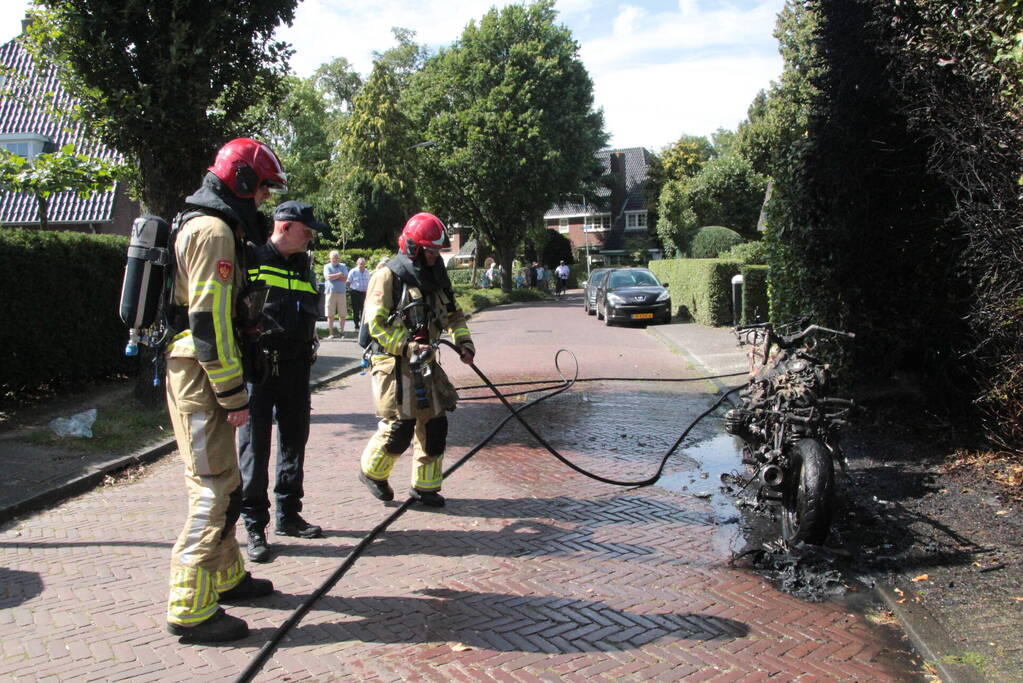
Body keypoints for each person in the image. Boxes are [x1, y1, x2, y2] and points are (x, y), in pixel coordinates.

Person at [163, 137, 285, 643]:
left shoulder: (219, 226)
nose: (261, 200)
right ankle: (188, 607)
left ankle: (227, 577)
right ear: (239, 181)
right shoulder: (212, 231)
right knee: (212, 488)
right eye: (259, 189)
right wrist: (234, 394)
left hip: (203, 373)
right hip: (201, 378)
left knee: (227, 481)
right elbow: (210, 323)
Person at [357, 212, 476, 508]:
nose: (435, 256)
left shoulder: (436, 276)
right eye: (430, 250)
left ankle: (425, 487)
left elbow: (453, 314)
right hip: (393, 364)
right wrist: (406, 346)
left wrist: (464, 342)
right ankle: (372, 472)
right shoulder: (387, 276)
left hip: (425, 362)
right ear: (413, 247)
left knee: (435, 425)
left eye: (438, 251)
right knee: (400, 428)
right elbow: (376, 325)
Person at [237, 201, 326, 565]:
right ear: (286, 227)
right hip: (260, 368)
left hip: (296, 367)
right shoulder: (252, 258)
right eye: (307, 230)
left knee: (294, 441)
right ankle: (255, 525)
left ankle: (289, 514)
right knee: (255, 449)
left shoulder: (305, 265)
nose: (311, 237)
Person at [323, 251, 348, 339]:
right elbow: (328, 277)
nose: (335, 259)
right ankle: (331, 333)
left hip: (341, 292)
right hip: (330, 292)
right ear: (330, 258)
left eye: (337, 257)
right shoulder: (326, 266)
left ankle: (342, 332)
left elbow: (345, 278)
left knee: (342, 314)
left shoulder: (343, 266)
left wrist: (334, 277)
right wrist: (339, 274)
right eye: (333, 257)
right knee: (330, 314)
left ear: (339, 258)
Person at [348, 257, 370, 329]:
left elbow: (369, 282)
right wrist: (351, 290)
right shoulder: (353, 271)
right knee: (356, 309)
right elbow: (348, 282)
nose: (362, 265)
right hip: (355, 292)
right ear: (357, 264)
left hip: (364, 293)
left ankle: (363, 324)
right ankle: (356, 324)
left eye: (363, 264)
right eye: (360, 264)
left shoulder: (367, 271)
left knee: (364, 309)